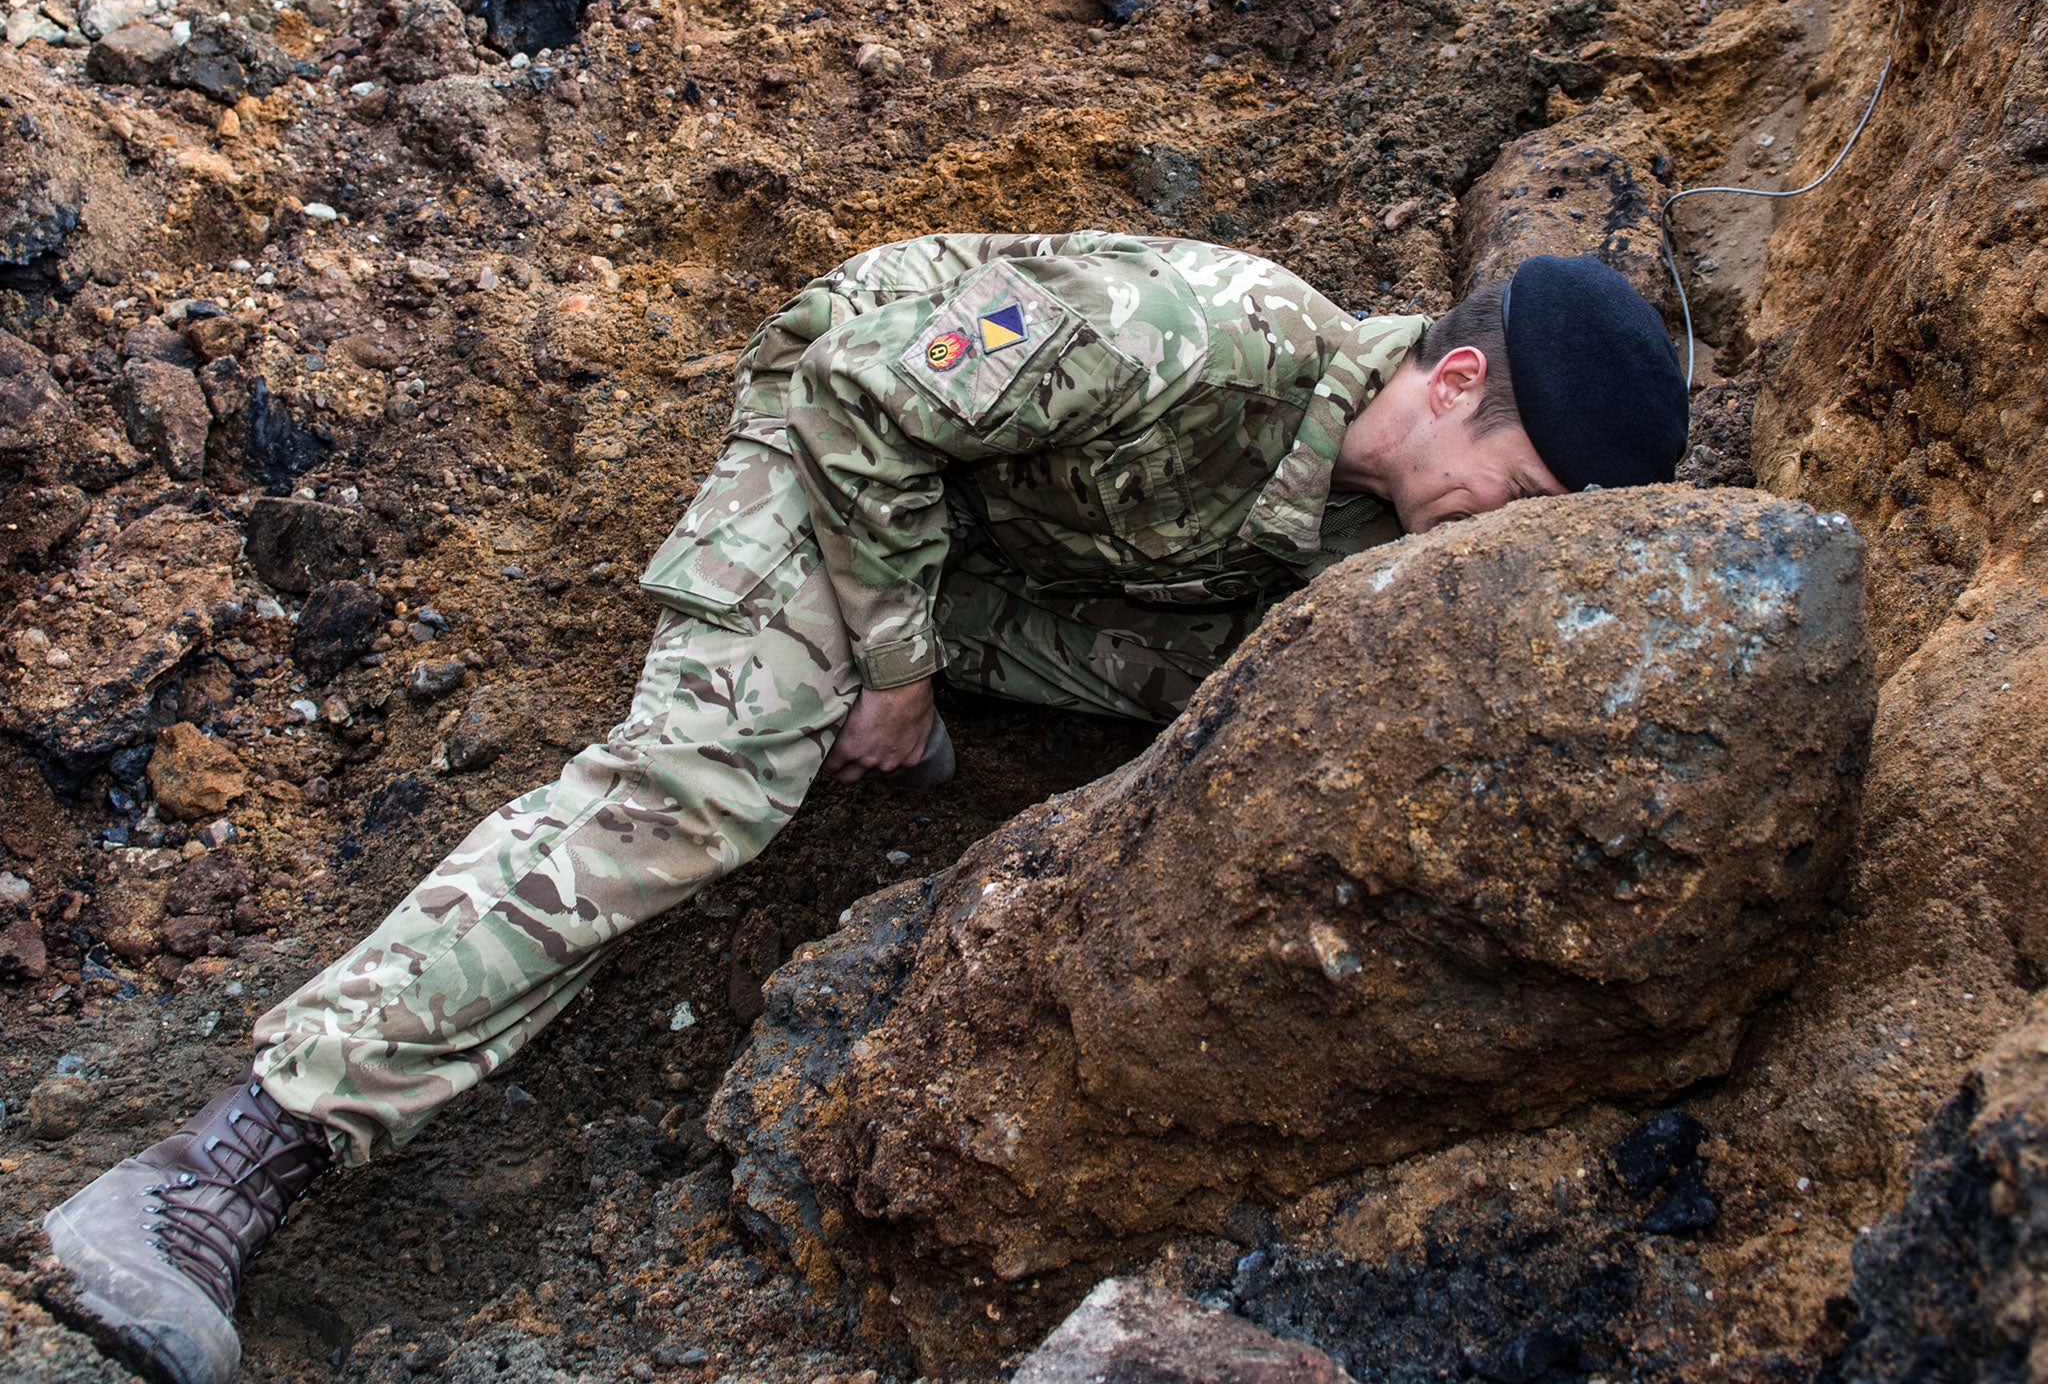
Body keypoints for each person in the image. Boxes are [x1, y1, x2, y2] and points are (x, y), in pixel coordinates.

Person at [39, 233, 1689, 1384]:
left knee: (1239, 698)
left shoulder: (1356, 537)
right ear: (1456, 376)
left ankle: (879, 666)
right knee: (703, 795)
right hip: (848, 428)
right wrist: (892, 666)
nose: (1486, 546)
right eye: (1520, 495)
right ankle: (219, 1168)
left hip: (1007, 537)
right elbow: (869, 400)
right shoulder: (1200, 331)